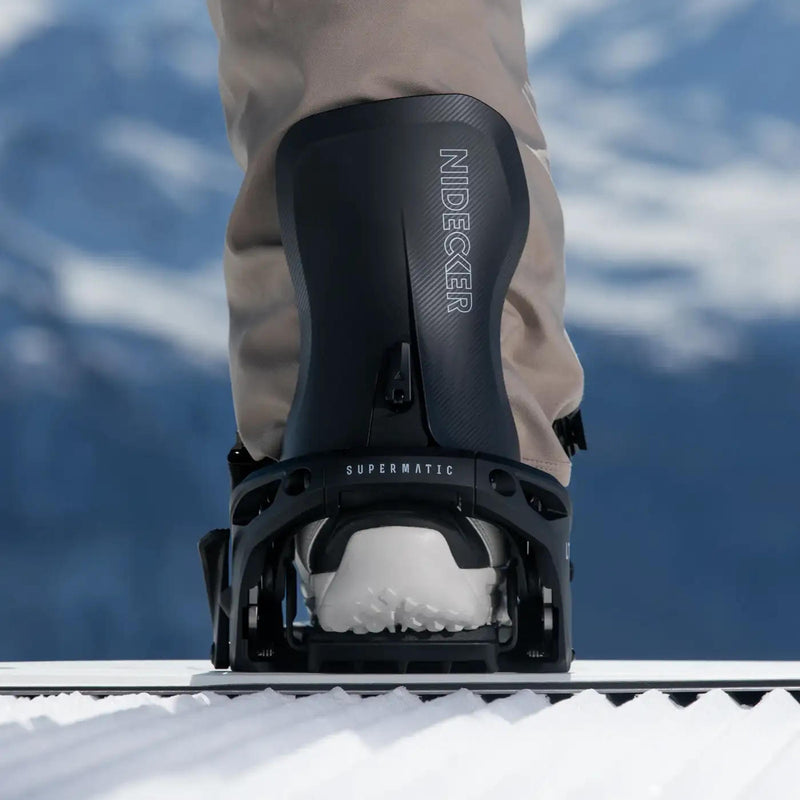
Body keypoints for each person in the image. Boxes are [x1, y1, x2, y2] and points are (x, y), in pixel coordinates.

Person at [206, 0, 584, 639]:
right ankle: (471, 468)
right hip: (485, 461)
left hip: (314, 466)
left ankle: (332, 464)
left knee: (340, 52)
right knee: (412, 43)